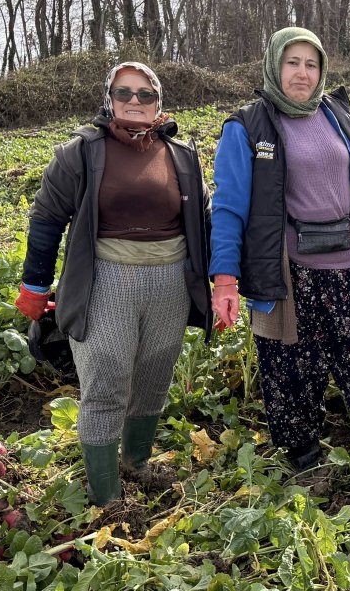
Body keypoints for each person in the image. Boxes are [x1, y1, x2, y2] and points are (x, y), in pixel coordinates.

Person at [209, 27, 350, 479]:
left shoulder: (338, 115)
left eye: (310, 64)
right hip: (286, 271)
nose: (302, 73)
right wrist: (225, 280)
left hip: (349, 263)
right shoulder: (248, 127)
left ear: (322, 71)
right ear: (274, 65)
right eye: (292, 62)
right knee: (290, 364)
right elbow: (228, 208)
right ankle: (304, 455)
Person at [15, 62, 213, 506]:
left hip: (170, 282)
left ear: (159, 102)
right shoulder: (80, 152)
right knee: (105, 379)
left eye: (145, 94)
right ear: (109, 99)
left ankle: (136, 464)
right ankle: (106, 497)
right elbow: (47, 219)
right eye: (124, 93)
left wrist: (224, 280)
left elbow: (204, 221)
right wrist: (35, 285)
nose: (134, 101)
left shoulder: (182, 154)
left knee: (153, 377)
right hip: (106, 278)